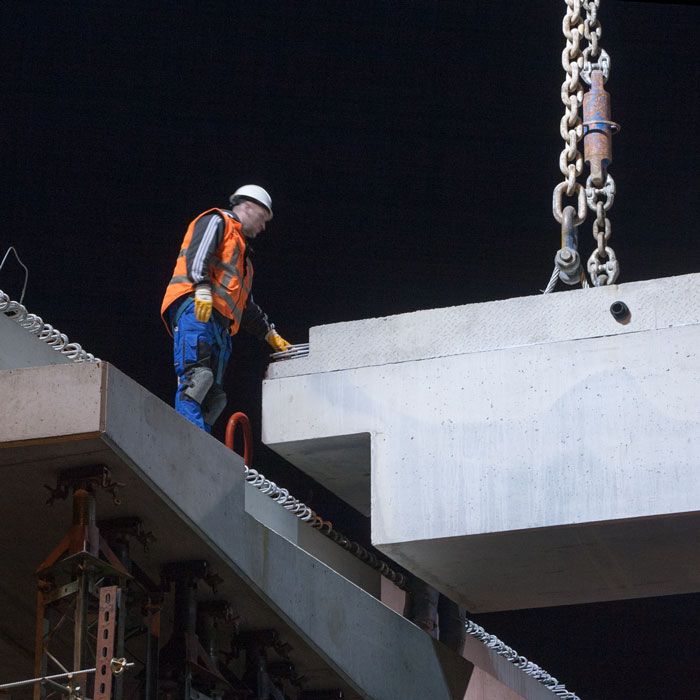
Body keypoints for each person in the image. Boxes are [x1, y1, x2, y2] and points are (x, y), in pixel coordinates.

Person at [161, 185, 292, 432]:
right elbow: (198, 255)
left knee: (215, 397)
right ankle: (188, 436)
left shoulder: (245, 261)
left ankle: (201, 439)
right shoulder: (217, 221)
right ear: (248, 206)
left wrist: (269, 333)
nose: (263, 226)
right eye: (263, 218)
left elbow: (245, 305)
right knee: (197, 380)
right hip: (196, 308)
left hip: (220, 325)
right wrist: (201, 286)